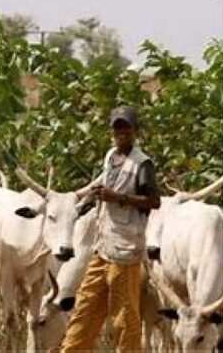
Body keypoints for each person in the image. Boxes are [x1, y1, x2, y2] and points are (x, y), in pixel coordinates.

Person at [61, 105, 161, 352]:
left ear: (136, 130)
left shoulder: (143, 164)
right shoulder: (110, 157)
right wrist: (98, 196)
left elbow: (154, 200)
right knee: (85, 308)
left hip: (125, 254)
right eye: (117, 127)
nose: (121, 132)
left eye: (126, 127)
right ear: (111, 131)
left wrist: (117, 197)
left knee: (124, 319)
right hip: (102, 248)